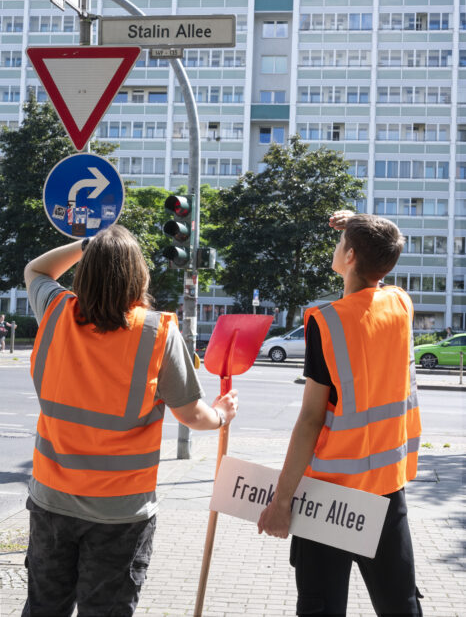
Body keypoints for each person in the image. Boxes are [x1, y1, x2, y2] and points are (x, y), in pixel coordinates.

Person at [22, 225, 238, 617]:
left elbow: (36, 271)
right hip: (120, 513)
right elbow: (191, 414)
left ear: (84, 272)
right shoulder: (156, 332)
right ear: (138, 275)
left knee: (44, 608)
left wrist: (88, 243)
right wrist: (222, 416)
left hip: (52, 500)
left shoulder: (55, 313)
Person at [258, 211, 423, 616]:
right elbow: (378, 262)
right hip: (385, 489)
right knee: (400, 606)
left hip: (329, 498)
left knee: (321, 608)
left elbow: (311, 420)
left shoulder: (327, 323)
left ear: (349, 256)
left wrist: (281, 501)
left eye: (341, 243)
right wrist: (360, 223)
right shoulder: (401, 304)